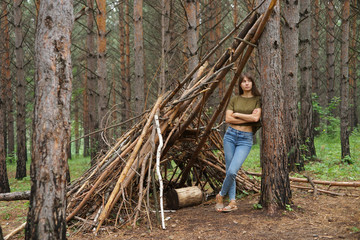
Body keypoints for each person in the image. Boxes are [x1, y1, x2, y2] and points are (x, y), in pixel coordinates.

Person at [215, 73, 261, 212]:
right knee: (230, 170)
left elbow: (255, 119)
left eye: (249, 81)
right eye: (243, 81)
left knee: (233, 170)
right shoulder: (235, 99)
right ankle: (233, 202)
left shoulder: (257, 99)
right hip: (230, 136)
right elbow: (228, 119)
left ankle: (221, 195)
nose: (246, 83)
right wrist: (248, 117)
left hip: (245, 138)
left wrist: (238, 114)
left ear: (252, 83)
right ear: (240, 85)